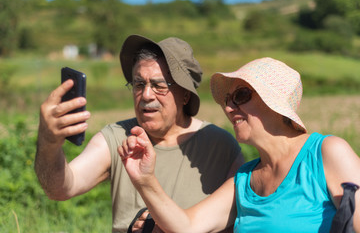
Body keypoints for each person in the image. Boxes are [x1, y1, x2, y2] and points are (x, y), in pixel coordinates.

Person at [119, 57, 360, 232]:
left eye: (241, 96)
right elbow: (187, 227)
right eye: (227, 99)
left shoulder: (326, 153)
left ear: (274, 103)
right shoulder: (243, 179)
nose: (228, 107)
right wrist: (145, 179)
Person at [34, 34, 245, 232]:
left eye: (158, 85)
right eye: (139, 84)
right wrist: (48, 143)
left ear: (185, 95)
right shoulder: (116, 137)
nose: (145, 94)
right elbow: (60, 188)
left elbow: (236, 222)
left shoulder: (221, 146)